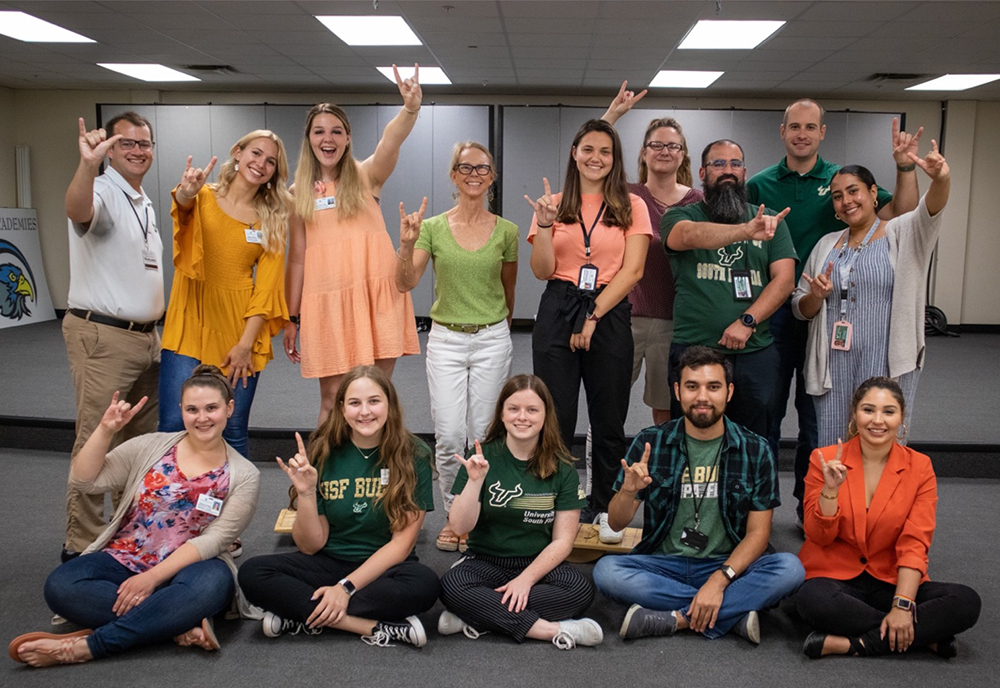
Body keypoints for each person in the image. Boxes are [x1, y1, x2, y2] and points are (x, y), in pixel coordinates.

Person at [9, 366, 261, 667]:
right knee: (61, 585)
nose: (202, 418)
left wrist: (151, 579)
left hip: (191, 569)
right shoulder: (150, 446)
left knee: (212, 587)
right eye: (192, 409)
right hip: (127, 557)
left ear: (229, 408)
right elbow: (84, 481)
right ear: (180, 410)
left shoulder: (245, 475)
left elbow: (214, 541)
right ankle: (173, 622)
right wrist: (105, 430)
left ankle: (90, 646)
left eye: (211, 408)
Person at [747, 99, 921, 522]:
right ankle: (761, 512)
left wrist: (904, 167)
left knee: (817, 418)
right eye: (794, 127)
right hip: (779, 308)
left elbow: (901, 212)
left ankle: (813, 511)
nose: (802, 133)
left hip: (830, 313)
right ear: (783, 132)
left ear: (823, 132)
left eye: (811, 126)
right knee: (766, 414)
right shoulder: (759, 184)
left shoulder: (842, 181)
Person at [592, 346, 804, 644]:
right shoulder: (650, 442)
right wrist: (628, 492)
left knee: (790, 568)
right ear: (678, 391)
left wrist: (719, 580)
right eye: (692, 386)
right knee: (607, 571)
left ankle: (677, 619)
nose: (702, 397)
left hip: (728, 562)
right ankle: (733, 613)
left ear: (729, 392)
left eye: (713, 387)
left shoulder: (755, 449)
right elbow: (615, 523)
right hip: (665, 564)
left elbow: (758, 535)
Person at [237, 366, 440, 648]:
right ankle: (373, 627)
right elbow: (310, 546)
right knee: (252, 573)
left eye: (374, 401)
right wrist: (306, 493)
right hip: (328, 563)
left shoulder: (414, 453)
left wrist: (345, 588)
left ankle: (299, 615)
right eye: (355, 403)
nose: (365, 412)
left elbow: (402, 545)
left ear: (390, 405)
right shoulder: (323, 450)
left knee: (425, 585)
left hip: (385, 568)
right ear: (342, 409)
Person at [525, 119, 653, 542]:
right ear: (574, 154)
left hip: (609, 308)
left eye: (605, 152)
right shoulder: (553, 203)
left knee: (609, 416)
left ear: (614, 160)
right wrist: (544, 226)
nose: (596, 158)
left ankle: (603, 508)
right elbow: (543, 270)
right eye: (588, 150)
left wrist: (593, 316)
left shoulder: (631, 204)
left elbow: (633, 271)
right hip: (558, 305)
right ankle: (558, 505)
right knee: (555, 416)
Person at [794, 377, 980, 658]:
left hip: (891, 578)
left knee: (966, 601)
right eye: (868, 410)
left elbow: (915, 541)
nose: (877, 420)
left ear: (902, 417)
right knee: (811, 601)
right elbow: (818, 536)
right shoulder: (824, 458)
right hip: (834, 578)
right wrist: (830, 491)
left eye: (888, 412)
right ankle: (921, 637)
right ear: (854, 414)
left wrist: (903, 605)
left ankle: (852, 644)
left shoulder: (919, 466)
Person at [395, 141, 518, 552]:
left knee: (482, 434)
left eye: (482, 169)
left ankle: (475, 514)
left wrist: (494, 326)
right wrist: (406, 244)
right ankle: (454, 515)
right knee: (449, 435)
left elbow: (508, 290)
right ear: (453, 175)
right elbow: (406, 283)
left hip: (491, 339)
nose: (474, 175)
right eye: (465, 168)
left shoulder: (507, 231)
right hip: (446, 339)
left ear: (492, 177)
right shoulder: (430, 227)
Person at [285, 65, 423, 426]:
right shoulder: (296, 194)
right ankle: (322, 479)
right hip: (327, 302)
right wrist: (290, 315)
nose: (327, 138)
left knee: (376, 399)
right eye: (319, 131)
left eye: (336, 131)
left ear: (347, 138)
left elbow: (390, 142)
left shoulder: (366, 176)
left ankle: (379, 477)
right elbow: (297, 259)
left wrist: (409, 110)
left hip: (377, 298)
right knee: (333, 399)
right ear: (309, 139)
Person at [792, 141, 950, 448]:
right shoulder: (826, 244)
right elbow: (801, 307)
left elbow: (932, 210)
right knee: (834, 444)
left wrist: (941, 179)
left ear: (873, 193)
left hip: (885, 359)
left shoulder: (902, 233)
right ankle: (836, 498)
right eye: (838, 196)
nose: (846, 201)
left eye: (854, 191)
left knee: (881, 443)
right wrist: (816, 297)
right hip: (833, 363)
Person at [61, 113, 165, 561]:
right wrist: (87, 165)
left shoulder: (142, 200)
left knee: (138, 442)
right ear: (111, 150)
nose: (138, 151)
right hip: (103, 336)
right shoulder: (101, 189)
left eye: (145, 143)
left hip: (145, 339)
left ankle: (124, 533)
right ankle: (81, 544)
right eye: (127, 144)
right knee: (97, 439)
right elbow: (77, 209)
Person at [438, 375, 602, 650]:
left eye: (532, 410)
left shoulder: (562, 466)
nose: (522, 417)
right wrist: (475, 481)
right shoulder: (481, 456)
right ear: (501, 413)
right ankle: (553, 630)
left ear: (545, 415)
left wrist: (526, 580)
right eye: (513, 409)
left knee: (581, 590)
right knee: (451, 585)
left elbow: (563, 541)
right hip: (485, 561)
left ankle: (479, 616)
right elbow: (459, 526)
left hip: (538, 565)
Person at [158, 130, 292, 459]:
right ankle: (171, 506)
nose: (261, 164)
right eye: (256, 153)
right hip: (191, 318)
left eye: (271, 161)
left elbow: (268, 288)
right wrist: (187, 193)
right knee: (175, 423)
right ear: (238, 151)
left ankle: (230, 508)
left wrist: (246, 345)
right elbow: (183, 209)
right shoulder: (202, 196)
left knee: (231, 428)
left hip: (239, 331)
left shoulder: (271, 219)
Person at [663, 139, 798, 439]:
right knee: (691, 435)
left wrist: (747, 321)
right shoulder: (680, 215)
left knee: (756, 438)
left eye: (735, 164)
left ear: (744, 171)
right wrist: (745, 231)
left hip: (754, 350)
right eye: (718, 164)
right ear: (702, 172)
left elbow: (785, 280)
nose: (728, 171)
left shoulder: (772, 221)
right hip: (694, 348)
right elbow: (687, 236)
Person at [602, 82, 703, 425]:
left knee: (666, 409)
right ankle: (604, 474)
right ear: (643, 153)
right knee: (608, 402)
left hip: (675, 323)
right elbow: (589, 161)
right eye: (655, 144)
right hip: (623, 317)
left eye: (672, 145)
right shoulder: (625, 195)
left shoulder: (699, 203)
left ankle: (660, 471)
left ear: (682, 155)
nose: (664, 151)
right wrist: (612, 116)